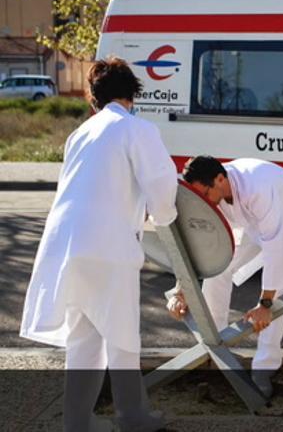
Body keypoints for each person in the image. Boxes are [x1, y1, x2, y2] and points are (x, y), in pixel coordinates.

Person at [19, 58, 178, 432]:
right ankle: (133, 417)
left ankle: (77, 421)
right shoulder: (137, 129)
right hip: (109, 246)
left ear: (94, 97)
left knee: (84, 339)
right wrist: (165, 217)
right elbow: (160, 184)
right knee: (122, 337)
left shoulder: (80, 133)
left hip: (66, 246)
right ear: (132, 95)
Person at [167, 156, 283, 397]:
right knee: (219, 267)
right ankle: (214, 342)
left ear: (219, 179)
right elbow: (201, 244)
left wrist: (265, 304)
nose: (204, 202)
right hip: (254, 222)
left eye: (206, 194)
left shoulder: (257, 189)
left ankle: (265, 368)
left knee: (279, 290)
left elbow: (275, 248)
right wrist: (181, 288)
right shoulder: (210, 189)